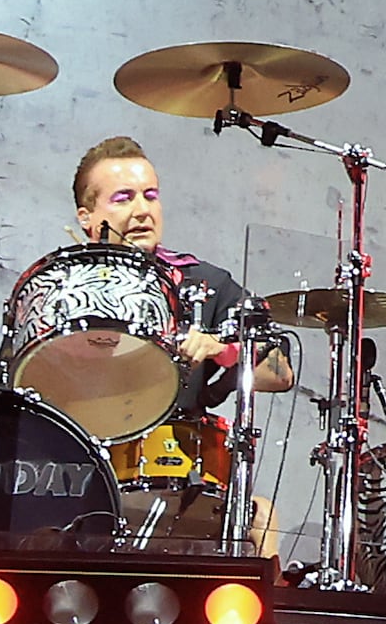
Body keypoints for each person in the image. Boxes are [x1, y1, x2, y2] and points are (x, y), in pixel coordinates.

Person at [67, 138, 294, 534]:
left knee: (263, 519)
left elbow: (280, 373)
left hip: (178, 470)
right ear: (86, 217)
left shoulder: (202, 282)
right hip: (77, 472)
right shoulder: (60, 289)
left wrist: (223, 351)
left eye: (150, 196)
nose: (142, 211)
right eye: (123, 199)